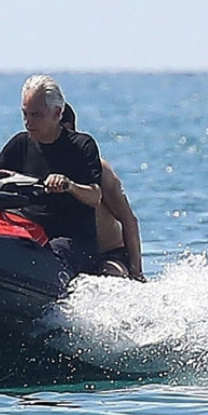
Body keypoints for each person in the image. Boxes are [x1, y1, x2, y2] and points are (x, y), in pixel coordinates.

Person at [0, 75, 102, 276]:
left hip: (73, 242)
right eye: (25, 114)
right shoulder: (19, 144)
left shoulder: (82, 145)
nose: (28, 122)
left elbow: (95, 196)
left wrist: (69, 185)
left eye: (36, 115)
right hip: (32, 233)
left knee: (52, 251)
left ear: (57, 113)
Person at [61, 103, 146, 282]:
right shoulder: (35, 162)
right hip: (70, 253)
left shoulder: (98, 169)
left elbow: (129, 220)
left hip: (108, 255)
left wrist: (137, 273)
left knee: (110, 274)